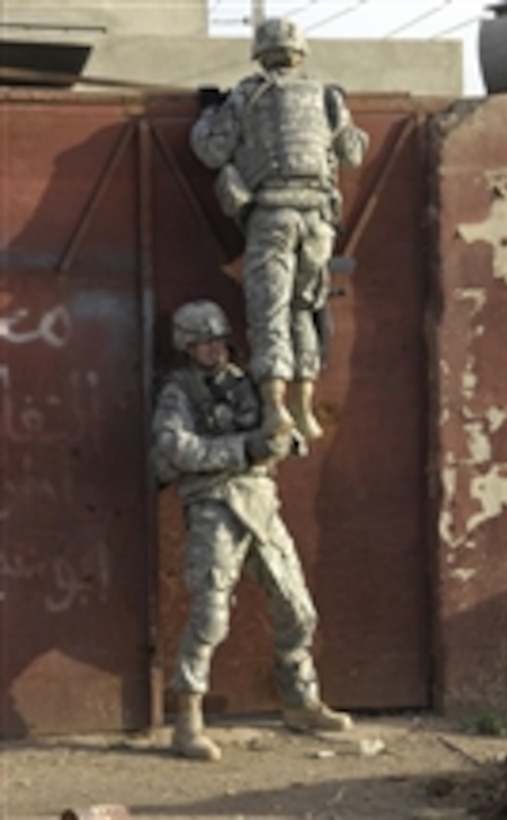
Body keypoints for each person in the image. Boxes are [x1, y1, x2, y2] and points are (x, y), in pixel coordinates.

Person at [151, 299, 352, 762]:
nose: (213, 349)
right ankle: (188, 721)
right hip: (214, 506)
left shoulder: (249, 386)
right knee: (210, 616)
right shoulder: (178, 393)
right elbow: (175, 449)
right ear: (187, 346)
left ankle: (300, 702)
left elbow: (286, 433)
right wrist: (246, 447)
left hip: (261, 504)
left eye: (218, 340)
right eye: (203, 342)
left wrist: (285, 438)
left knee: (297, 607)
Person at [190, 17, 369, 441]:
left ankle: (275, 411)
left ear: (261, 55)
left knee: (268, 312)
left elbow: (212, 151)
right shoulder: (325, 97)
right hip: (319, 222)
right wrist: (341, 113)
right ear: (300, 54)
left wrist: (207, 114)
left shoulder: (248, 96)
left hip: (272, 216)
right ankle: (303, 409)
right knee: (303, 310)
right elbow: (355, 152)